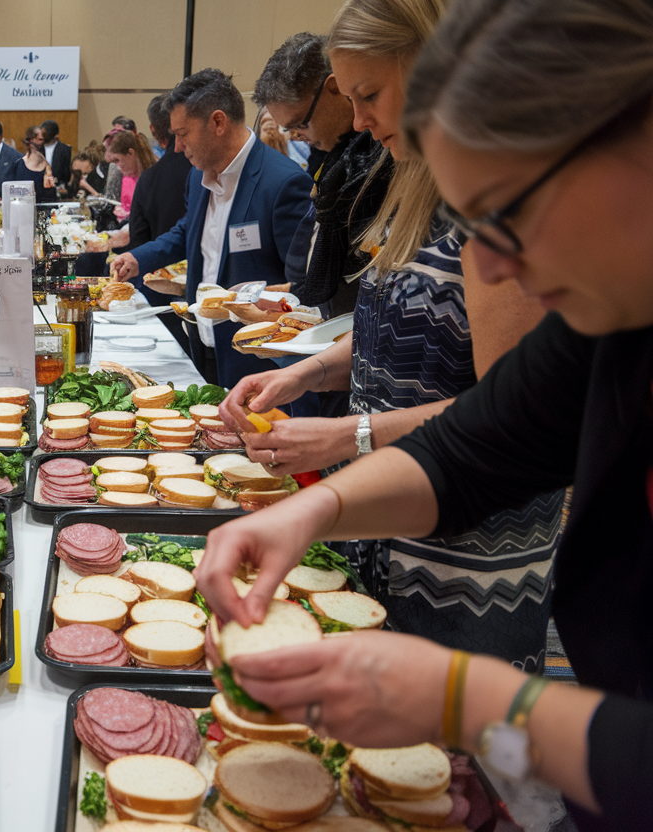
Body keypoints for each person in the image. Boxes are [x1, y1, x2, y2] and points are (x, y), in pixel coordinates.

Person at [198, 0, 653, 825]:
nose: (487, 262)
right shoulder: (611, 316)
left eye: (505, 209)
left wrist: (468, 698)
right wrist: (313, 510)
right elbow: (477, 444)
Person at [215, 0, 564, 668]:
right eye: (350, 98)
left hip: (464, 556)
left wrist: (352, 434)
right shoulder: (413, 179)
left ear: (434, 63)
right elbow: (396, 330)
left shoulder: (495, 194)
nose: (362, 121)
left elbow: (515, 411)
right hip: (387, 525)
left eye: (370, 95)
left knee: (451, 756)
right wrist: (306, 373)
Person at [110, 68, 314, 388]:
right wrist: (139, 258)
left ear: (218, 123)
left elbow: (305, 289)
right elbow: (188, 231)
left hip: (254, 363)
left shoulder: (283, 182)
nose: (176, 147)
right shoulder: (198, 174)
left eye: (183, 133)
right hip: (202, 346)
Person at [253, 31, 390, 317]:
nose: (296, 137)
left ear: (335, 88)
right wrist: (296, 292)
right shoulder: (331, 164)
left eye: (300, 124)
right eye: (288, 130)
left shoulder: (381, 158)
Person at [128, 93, 192, 352]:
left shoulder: (149, 179)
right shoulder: (199, 173)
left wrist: (136, 257)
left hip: (159, 293)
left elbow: (138, 237)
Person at [107, 129, 156, 222]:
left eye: (117, 160)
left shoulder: (153, 177)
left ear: (131, 153)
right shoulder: (127, 178)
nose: (118, 167)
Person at [8, 124, 57, 204]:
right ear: (31, 140)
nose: (41, 142)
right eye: (39, 139)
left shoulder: (47, 167)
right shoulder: (18, 165)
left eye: (42, 140)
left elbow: (51, 196)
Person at [40, 118, 71, 199]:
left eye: (45, 135)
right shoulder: (38, 148)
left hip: (58, 186)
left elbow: (66, 171)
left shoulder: (64, 149)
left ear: (55, 136)